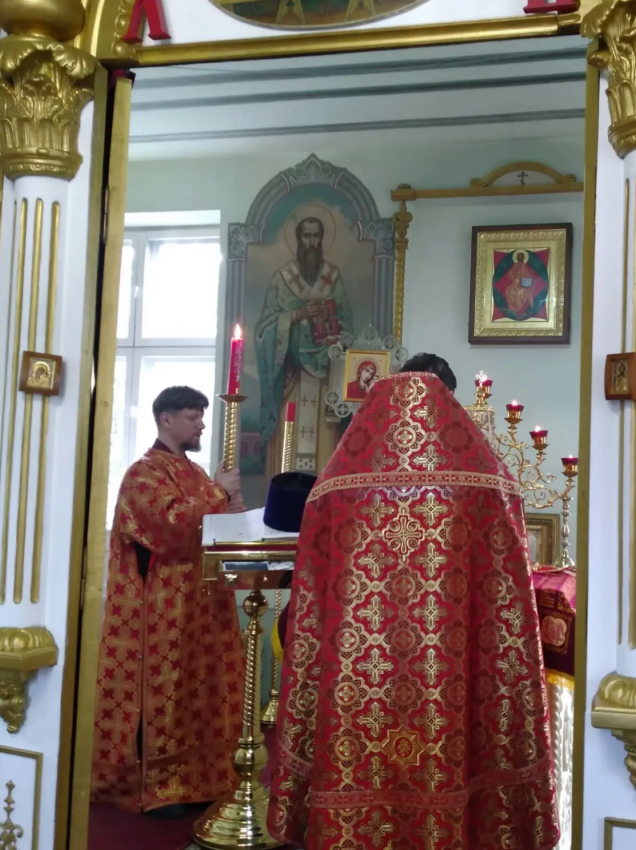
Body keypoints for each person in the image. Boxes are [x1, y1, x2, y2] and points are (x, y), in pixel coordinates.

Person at [268, 361, 559, 848]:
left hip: (360, 677)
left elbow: (312, 598)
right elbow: (505, 602)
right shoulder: (485, 479)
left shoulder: (340, 479)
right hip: (449, 673)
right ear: (448, 397)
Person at [91, 387, 245, 814]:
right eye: (193, 417)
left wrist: (232, 507)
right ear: (166, 419)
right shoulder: (142, 474)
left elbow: (217, 530)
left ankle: (201, 778)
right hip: (164, 610)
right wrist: (218, 493)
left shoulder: (195, 473)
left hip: (205, 604)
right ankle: (160, 785)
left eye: (201, 416)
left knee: (203, 693)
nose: (201, 425)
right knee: (168, 694)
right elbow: (170, 526)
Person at [255, 216, 353, 474]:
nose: (312, 242)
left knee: (324, 450)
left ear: (322, 239)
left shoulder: (333, 278)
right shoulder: (282, 278)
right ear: (298, 239)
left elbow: (348, 328)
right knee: (289, 452)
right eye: (306, 236)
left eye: (316, 236)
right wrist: (298, 315)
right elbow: (263, 330)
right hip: (292, 381)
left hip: (325, 383)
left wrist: (338, 340)